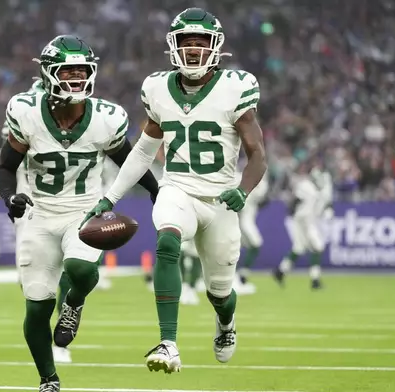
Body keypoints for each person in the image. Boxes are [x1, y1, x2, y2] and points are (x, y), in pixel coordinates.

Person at [83, 8, 267, 374]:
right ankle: (168, 343)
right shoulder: (157, 87)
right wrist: (110, 197)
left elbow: (258, 154)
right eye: (187, 42)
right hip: (177, 187)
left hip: (220, 199)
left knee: (219, 293)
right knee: (167, 242)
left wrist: (243, 190)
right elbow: (143, 151)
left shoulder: (237, 86)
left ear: (216, 47)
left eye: (201, 42)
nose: (194, 49)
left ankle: (226, 324)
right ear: (173, 46)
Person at [0, 35, 159, 391]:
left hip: (84, 210)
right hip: (39, 214)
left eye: (81, 71)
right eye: (67, 71)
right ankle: (48, 378)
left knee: (81, 269)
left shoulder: (106, 117)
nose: (75, 78)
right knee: (36, 307)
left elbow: (128, 161)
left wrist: (155, 189)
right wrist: (10, 198)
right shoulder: (25, 111)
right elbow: (6, 167)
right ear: (49, 73)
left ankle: (74, 302)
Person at [0, 79, 73, 364]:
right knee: (33, 284)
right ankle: (51, 335)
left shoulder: (82, 114)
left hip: (72, 204)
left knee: (71, 268)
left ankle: (63, 332)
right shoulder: (25, 112)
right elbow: (2, 167)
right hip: (30, 207)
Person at [273, 163, 325, 289]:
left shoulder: (314, 189)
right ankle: (315, 280)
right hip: (302, 220)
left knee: (299, 248)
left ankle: (280, 272)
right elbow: (296, 199)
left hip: (305, 220)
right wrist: (293, 213)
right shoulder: (306, 186)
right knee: (317, 246)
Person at [233, 171, 270, 294]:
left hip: (246, 219)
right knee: (253, 244)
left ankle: (240, 276)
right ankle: (237, 278)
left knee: (240, 248)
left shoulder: (260, 184)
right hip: (243, 220)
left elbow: (263, 201)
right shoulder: (242, 179)